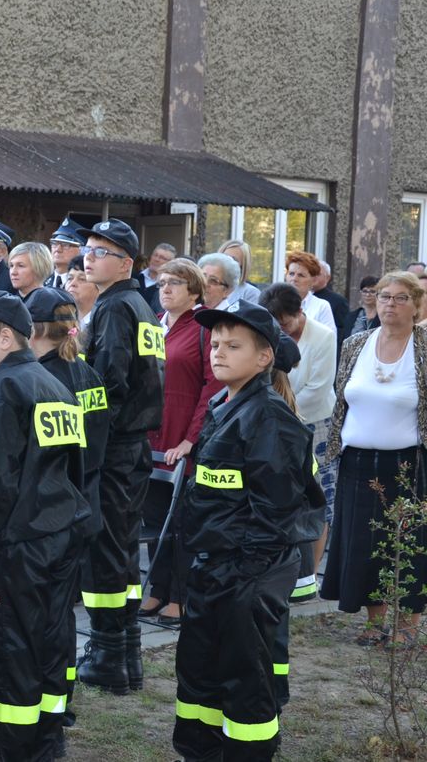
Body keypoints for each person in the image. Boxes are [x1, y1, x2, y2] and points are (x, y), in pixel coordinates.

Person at [0, 290, 88, 762]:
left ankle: (12, 751)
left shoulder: (0, 392)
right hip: (59, 536)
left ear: (5, 338)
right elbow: (76, 471)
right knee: (49, 648)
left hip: (17, 547)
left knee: (11, 657)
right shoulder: (54, 384)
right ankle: (45, 745)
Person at [173, 300, 311, 761]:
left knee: (246, 683)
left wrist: (243, 573)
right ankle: (201, 751)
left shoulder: (269, 417)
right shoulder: (224, 404)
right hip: (214, 565)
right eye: (215, 344)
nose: (218, 352)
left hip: (245, 573)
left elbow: (276, 510)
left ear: (264, 357)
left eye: (233, 346)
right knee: (200, 675)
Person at [75, 218, 164, 695]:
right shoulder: (139, 305)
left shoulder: (114, 307)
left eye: (100, 252)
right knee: (124, 550)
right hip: (133, 445)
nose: (88, 258)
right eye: (87, 250)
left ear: (126, 263)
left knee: (105, 552)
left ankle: (108, 654)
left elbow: (108, 382)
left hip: (112, 446)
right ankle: (126, 651)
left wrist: (86, 443)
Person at [321, 272, 427, 644]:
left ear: (416, 305)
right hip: (357, 463)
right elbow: (342, 398)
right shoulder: (356, 344)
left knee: (410, 544)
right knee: (363, 543)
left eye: (400, 298)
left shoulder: (424, 349)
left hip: (409, 465)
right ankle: (374, 623)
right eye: (384, 296)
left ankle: (407, 627)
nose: (390, 304)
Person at [26, 286, 109, 733]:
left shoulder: (39, 381)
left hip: (47, 516)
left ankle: (40, 709)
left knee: (39, 620)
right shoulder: (87, 373)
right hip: (83, 506)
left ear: (34, 328)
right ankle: (60, 704)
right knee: (61, 618)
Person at [141, 259, 221, 627]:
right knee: (155, 517)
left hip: (183, 437)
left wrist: (192, 438)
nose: (166, 288)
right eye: (161, 283)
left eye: (175, 282)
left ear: (194, 290)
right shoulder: (155, 324)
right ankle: (158, 588)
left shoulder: (203, 326)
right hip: (152, 437)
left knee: (181, 522)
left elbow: (213, 387)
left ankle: (179, 595)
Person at [259, 282, 336, 599]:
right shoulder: (265, 332)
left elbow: (318, 388)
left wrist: (284, 415)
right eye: (274, 323)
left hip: (313, 421)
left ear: (299, 312)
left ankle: (310, 575)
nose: (280, 329)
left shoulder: (323, 336)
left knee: (315, 498)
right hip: (274, 419)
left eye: (285, 322)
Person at [284, 251, 337, 333]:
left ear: (313, 280)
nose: (294, 279)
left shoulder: (321, 306)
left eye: (301, 275)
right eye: (291, 274)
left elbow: (330, 337)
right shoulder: (276, 302)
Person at [314, 260, 352, 346]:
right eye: (312, 273)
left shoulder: (338, 301)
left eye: (318, 274)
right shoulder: (301, 298)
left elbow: (341, 332)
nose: (314, 277)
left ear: (327, 277)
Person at [217, 240, 261, 304]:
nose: (227, 262)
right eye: (225, 257)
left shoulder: (250, 293)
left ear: (243, 266)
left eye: (234, 259)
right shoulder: (207, 286)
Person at [138, 243, 177, 315]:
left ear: (170, 263)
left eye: (162, 258)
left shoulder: (169, 288)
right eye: (155, 255)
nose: (156, 259)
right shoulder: (134, 277)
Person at [46, 217, 85, 288]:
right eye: (54, 243)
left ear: (80, 250)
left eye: (65, 245)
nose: (58, 249)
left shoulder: (86, 285)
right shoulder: (42, 281)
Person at [64, 256, 97, 329]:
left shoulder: (102, 322)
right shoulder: (61, 321)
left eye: (82, 279)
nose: (72, 284)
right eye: (70, 278)